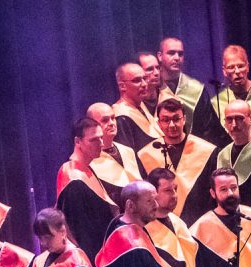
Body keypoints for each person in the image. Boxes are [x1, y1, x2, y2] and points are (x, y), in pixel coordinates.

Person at [137, 98, 218, 226]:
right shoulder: (146, 154)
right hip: (161, 225)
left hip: (200, 222)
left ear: (184, 119)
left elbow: (213, 193)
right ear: (158, 123)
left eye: (176, 119)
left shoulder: (207, 150)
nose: (172, 125)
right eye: (165, 120)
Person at [56, 117, 119, 260]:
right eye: (94, 140)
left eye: (101, 138)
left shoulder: (87, 169)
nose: (101, 144)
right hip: (93, 260)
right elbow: (80, 233)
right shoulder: (72, 177)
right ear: (78, 142)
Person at [156, 37, 220, 142]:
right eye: (171, 53)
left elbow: (209, 129)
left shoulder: (196, 89)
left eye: (180, 54)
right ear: (160, 56)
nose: (177, 58)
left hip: (194, 151)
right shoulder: (152, 89)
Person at [87, 102, 144, 190]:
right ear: (91, 125)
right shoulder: (89, 160)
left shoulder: (128, 151)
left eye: (113, 118)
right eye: (105, 120)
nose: (111, 123)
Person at [210, 45, 251, 136]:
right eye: (231, 67)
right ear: (224, 71)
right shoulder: (217, 102)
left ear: (248, 67)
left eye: (241, 66)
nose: (237, 71)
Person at [112, 62, 160, 151]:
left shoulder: (141, 106)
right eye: (137, 80)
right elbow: (128, 157)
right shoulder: (120, 117)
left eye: (145, 78)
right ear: (122, 86)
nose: (145, 84)